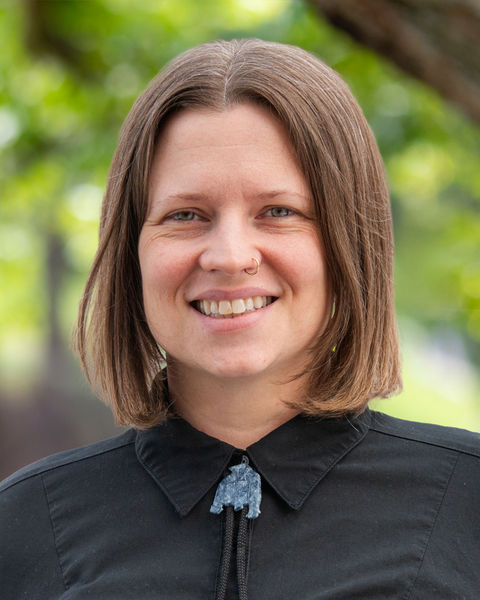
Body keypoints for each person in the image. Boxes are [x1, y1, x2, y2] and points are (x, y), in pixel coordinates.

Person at [1, 38, 479, 599]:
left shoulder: (467, 504)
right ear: (132, 249)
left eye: (278, 212)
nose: (229, 256)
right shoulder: (21, 528)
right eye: (185, 215)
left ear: (349, 241)